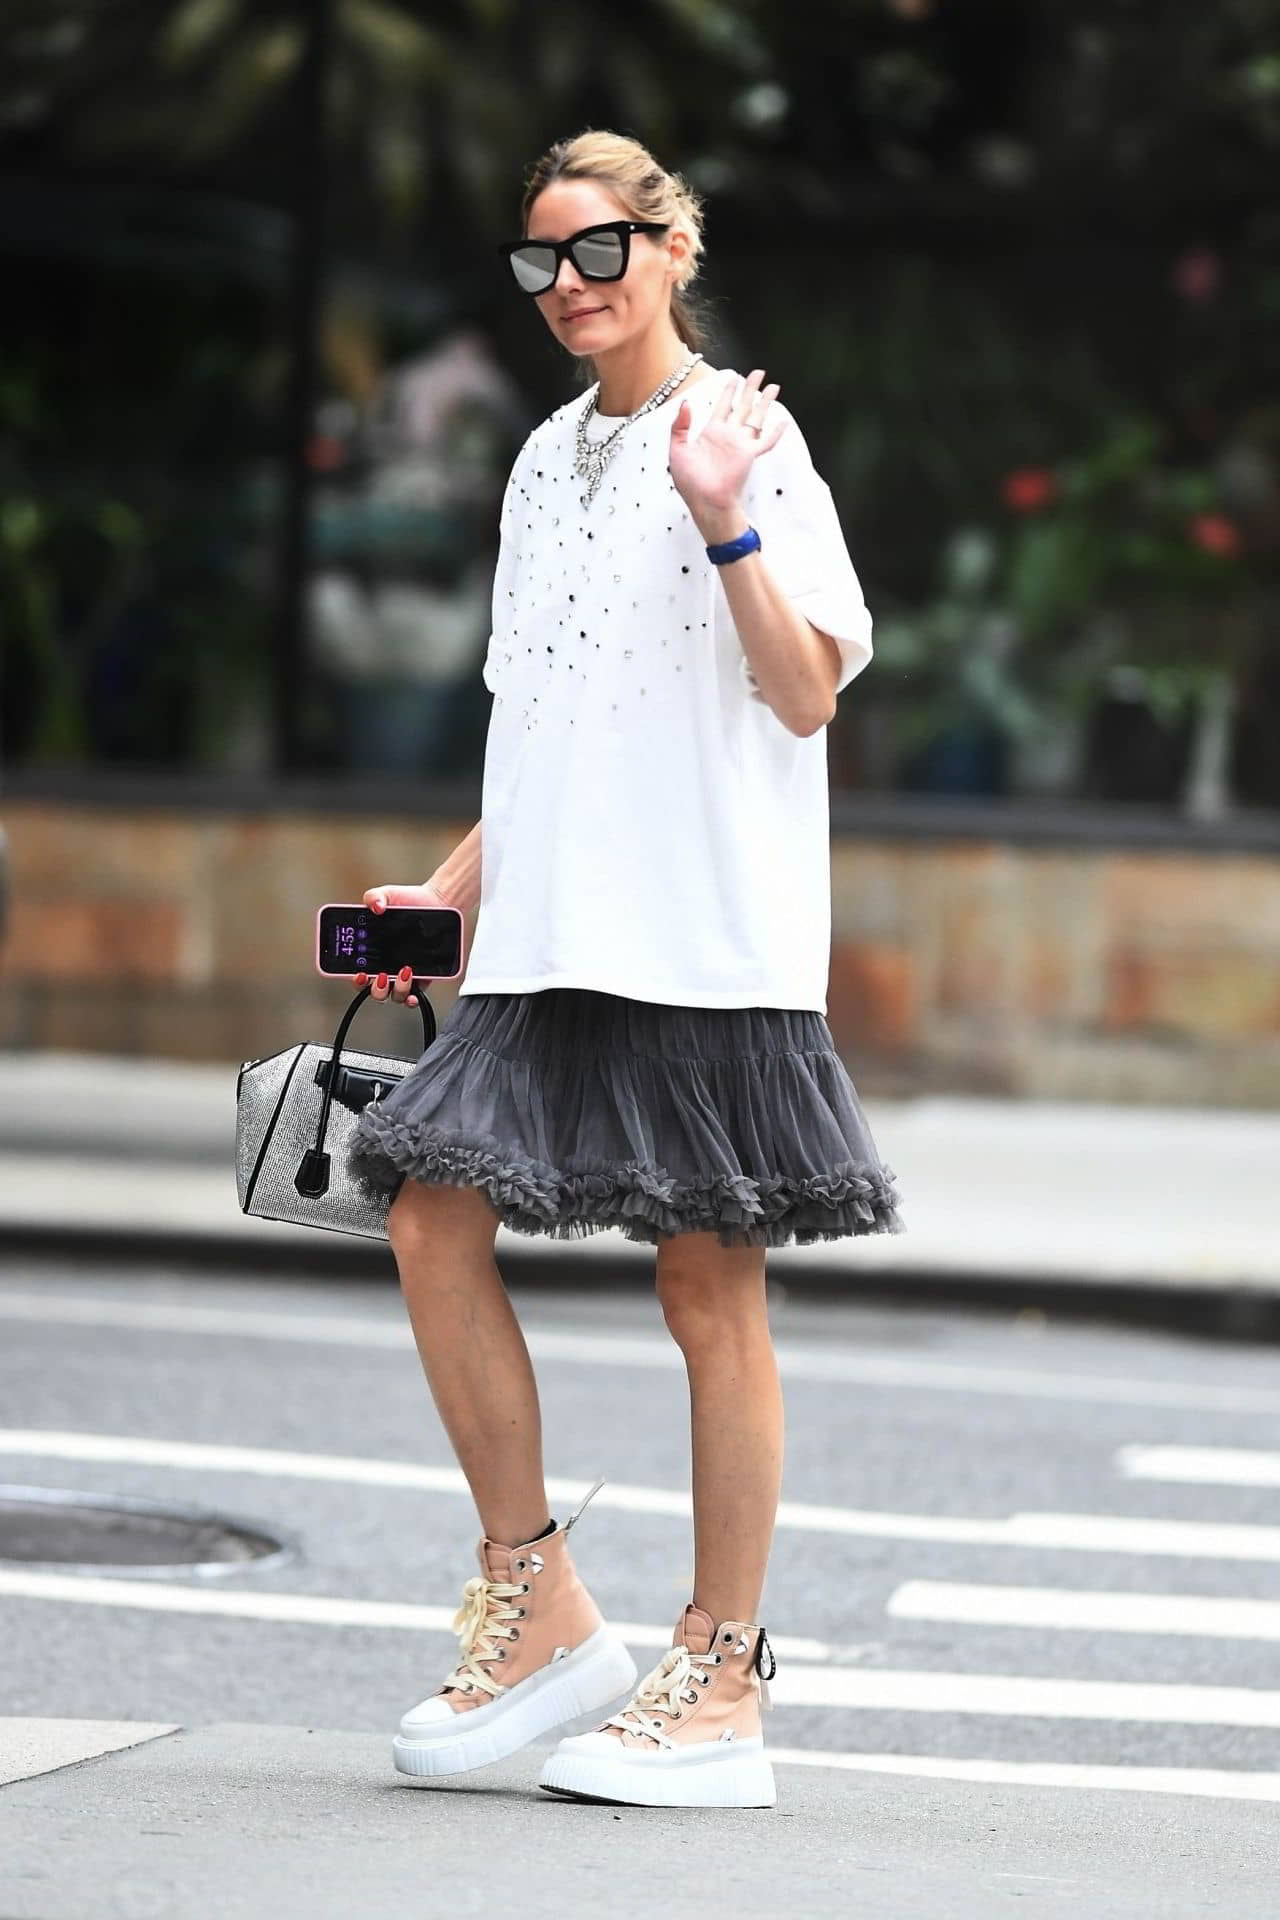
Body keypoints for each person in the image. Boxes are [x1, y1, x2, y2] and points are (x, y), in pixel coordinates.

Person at [349, 129, 901, 1811]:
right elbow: (545, 719)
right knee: (427, 1213)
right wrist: (440, 895)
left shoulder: (749, 436)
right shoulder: (534, 464)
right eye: (541, 265)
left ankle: (722, 1678)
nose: (570, 289)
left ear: (672, 247)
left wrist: (727, 522)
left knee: (704, 1288)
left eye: (600, 253)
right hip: (551, 933)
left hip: (702, 937)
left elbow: (806, 695)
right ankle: (540, 1608)